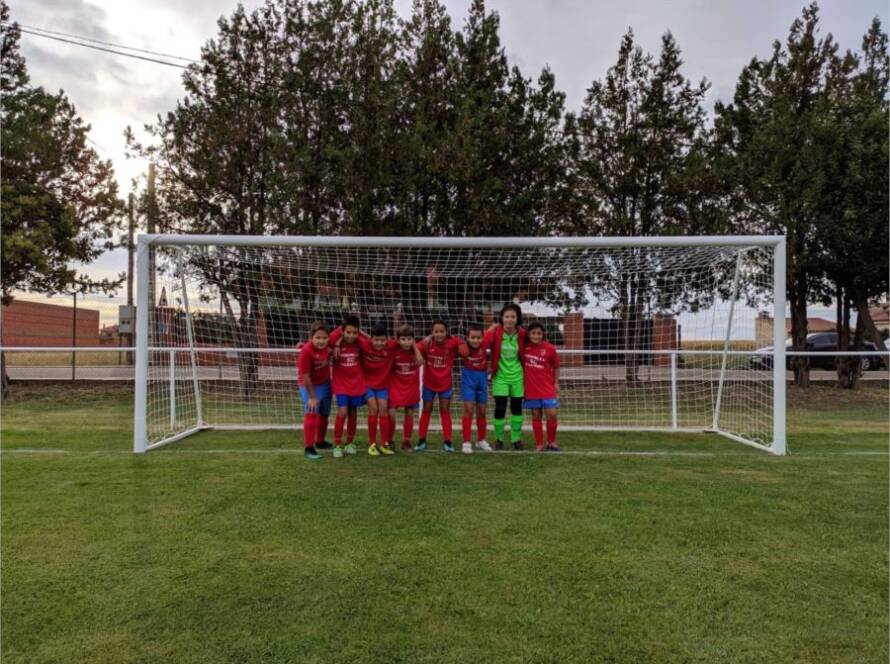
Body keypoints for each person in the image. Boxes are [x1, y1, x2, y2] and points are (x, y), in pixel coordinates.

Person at [484, 303, 526, 450]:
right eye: (507, 316)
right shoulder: (496, 332)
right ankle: (498, 439)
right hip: (500, 377)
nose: (509, 319)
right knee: (500, 408)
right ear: (502, 318)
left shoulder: (522, 333)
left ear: (517, 318)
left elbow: (534, 344)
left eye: (513, 317)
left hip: (518, 377)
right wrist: (489, 331)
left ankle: (516, 439)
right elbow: (483, 343)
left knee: (516, 409)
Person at [416, 320, 461, 453]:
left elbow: (462, 345)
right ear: (432, 333)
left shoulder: (452, 343)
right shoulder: (427, 344)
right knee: (426, 410)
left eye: (442, 331)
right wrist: (421, 348)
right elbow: (415, 346)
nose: (439, 334)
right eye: (436, 331)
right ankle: (421, 440)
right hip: (429, 384)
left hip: (445, 384)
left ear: (446, 333)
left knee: (445, 410)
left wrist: (461, 344)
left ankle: (448, 441)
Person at [358, 323, 397, 456]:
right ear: (371, 339)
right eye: (376, 340)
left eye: (382, 340)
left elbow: (408, 340)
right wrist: (336, 345)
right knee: (373, 409)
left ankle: (384, 443)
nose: (379, 343)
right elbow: (349, 331)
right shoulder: (365, 345)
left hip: (383, 386)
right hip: (367, 384)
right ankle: (372, 444)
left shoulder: (391, 346)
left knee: (384, 410)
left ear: (387, 339)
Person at [521, 322, 561, 452]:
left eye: (539, 333)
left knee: (552, 414)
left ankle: (552, 442)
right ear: (528, 334)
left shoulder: (549, 348)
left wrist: (556, 382)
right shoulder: (523, 348)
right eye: (533, 333)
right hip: (531, 388)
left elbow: (556, 366)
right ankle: (539, 444)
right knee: (536, 414)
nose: (536, 336)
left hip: (547, 388)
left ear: (543, 334)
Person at [330, 315, 366, 458]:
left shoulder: (359, 343)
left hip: (356, 384)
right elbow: (329, 339)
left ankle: (349, 443)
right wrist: (338, 341)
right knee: (342, 412)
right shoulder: (334, 343)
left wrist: (360, 333)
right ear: (342, 331)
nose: (351, 335)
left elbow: (371, 342)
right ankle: (337, 445)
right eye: (348, 332)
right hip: (341, 384)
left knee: (353, 413)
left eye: (354, 333)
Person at [297, 322, 332, 461]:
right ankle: (309, 448)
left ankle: (320, 441)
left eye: (324, 338)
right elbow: (305, 375)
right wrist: (311, 396)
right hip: (308, 385)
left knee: (324, 413)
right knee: (312, 410)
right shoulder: (306, 351)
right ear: (311, 338)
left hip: (325, 384)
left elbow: (341, 332)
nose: (321, 341)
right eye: (318, 338)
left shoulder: (328, 347)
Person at [387, 324, 424, 453]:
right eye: (403, 339)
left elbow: (421, 360)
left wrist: (415, 348)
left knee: (409, 413)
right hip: (395, 386)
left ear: (413, 340)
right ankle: (389, 440)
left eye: (409, 339)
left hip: (411, 386)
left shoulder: (417, 350)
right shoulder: (393, 348)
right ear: (398, 340)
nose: (406, 342)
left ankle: (406, 442)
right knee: (391, 413)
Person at [457, 323, 493, 453]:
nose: (475, 340)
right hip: (468, 380)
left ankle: (481, 440)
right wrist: (461, 343)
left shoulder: (485, 342)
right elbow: (453, 340)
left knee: (482, 411)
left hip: (482, 380)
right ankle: (466, 442)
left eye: (478, 338)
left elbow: (493, 327)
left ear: (482, 338)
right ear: (467, 338)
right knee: (468, 409)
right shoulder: (463, 348)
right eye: (472, 337)